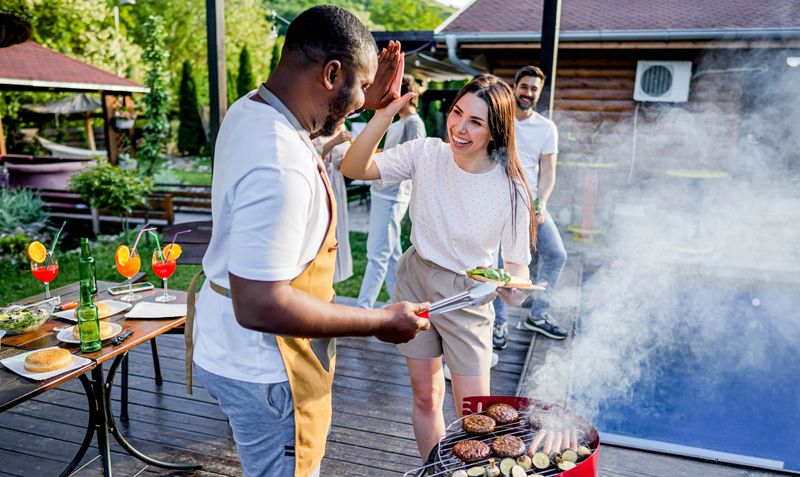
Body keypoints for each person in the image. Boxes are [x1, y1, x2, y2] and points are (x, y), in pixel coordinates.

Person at [185, 7, 430, 477]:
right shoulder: (279, 166)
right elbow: (259, 305)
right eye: (358, 85)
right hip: (267, 368)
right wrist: (378, 320)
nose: (360, 98)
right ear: (331, 73)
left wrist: (371, 104)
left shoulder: (251, 109)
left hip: (225, 349)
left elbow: (309, 138)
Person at [341, 74, 536, 460]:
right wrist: (383, 114)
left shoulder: (512, 187)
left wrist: (514, 291)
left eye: (475, 122)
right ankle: (434, 469)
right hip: (416, 279)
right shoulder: (426, 153)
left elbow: (517, 272)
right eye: (457, 112)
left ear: (495, 131)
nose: (459, 127)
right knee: (427, 396)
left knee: (475, 415)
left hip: (469, 294)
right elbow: (353, 167)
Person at [493, 65, 568, 348]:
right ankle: (499, 324)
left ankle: (538, 314)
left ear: (539, 93)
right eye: (524, 86)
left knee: (557, 255)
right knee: (501, 265)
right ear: (514, 87)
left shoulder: (546, 128)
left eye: (534, 89)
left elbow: (548, 171)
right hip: (499, 204)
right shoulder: (500, 120)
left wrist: (543, 202)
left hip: (532, 204)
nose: (528, 93)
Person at [357, 74, 426, 308]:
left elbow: (416, 163)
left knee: (378, 254)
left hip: (393, 197)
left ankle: (363, 308)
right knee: (392, 253)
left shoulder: (413, 123)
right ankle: (398, 300)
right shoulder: (397, 123)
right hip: (381, 193)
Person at [314, 123, 353, 283]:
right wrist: (335, 141)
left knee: (337, 228)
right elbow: (316, 154)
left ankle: (333, 274)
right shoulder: (316, 128)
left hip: (337, 183)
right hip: (321, 180)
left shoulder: (343, 128)